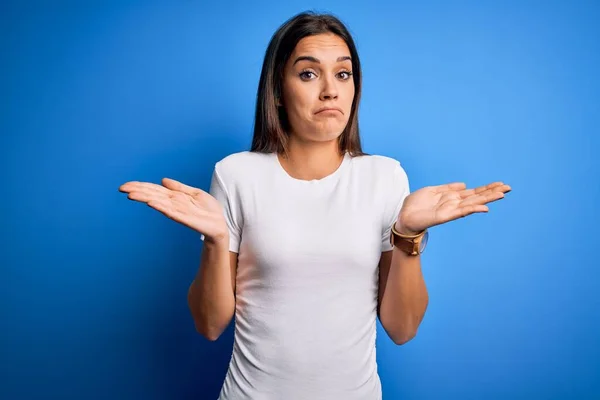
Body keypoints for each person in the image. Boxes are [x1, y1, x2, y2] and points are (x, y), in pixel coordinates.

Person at [119, 11, 511, 400]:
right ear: (277, 90)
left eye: (343, 74)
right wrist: (214, 240)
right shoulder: (236, 174)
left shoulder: (385, 177)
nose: (330, 90)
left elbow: (402, 328)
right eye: (308, 74)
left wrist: (408, 234)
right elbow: (209, 324)